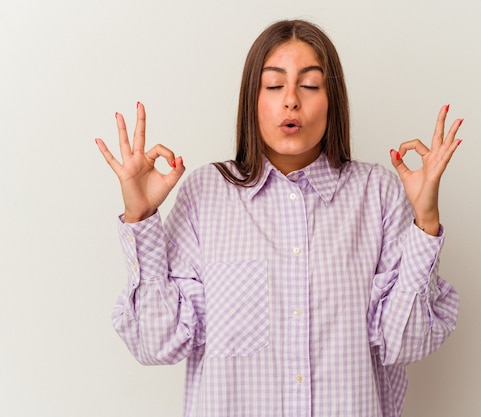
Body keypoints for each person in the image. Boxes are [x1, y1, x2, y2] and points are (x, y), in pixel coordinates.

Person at [95, 19, 462, 417]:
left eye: (309, 85)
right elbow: (157, 344)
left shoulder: (377, 194)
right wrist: (141, 215)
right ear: (251, 100)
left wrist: (425, 221)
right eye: (273, 86)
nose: (291, 100)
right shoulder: (205, 194)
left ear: (332, 100)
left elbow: (403, 343)